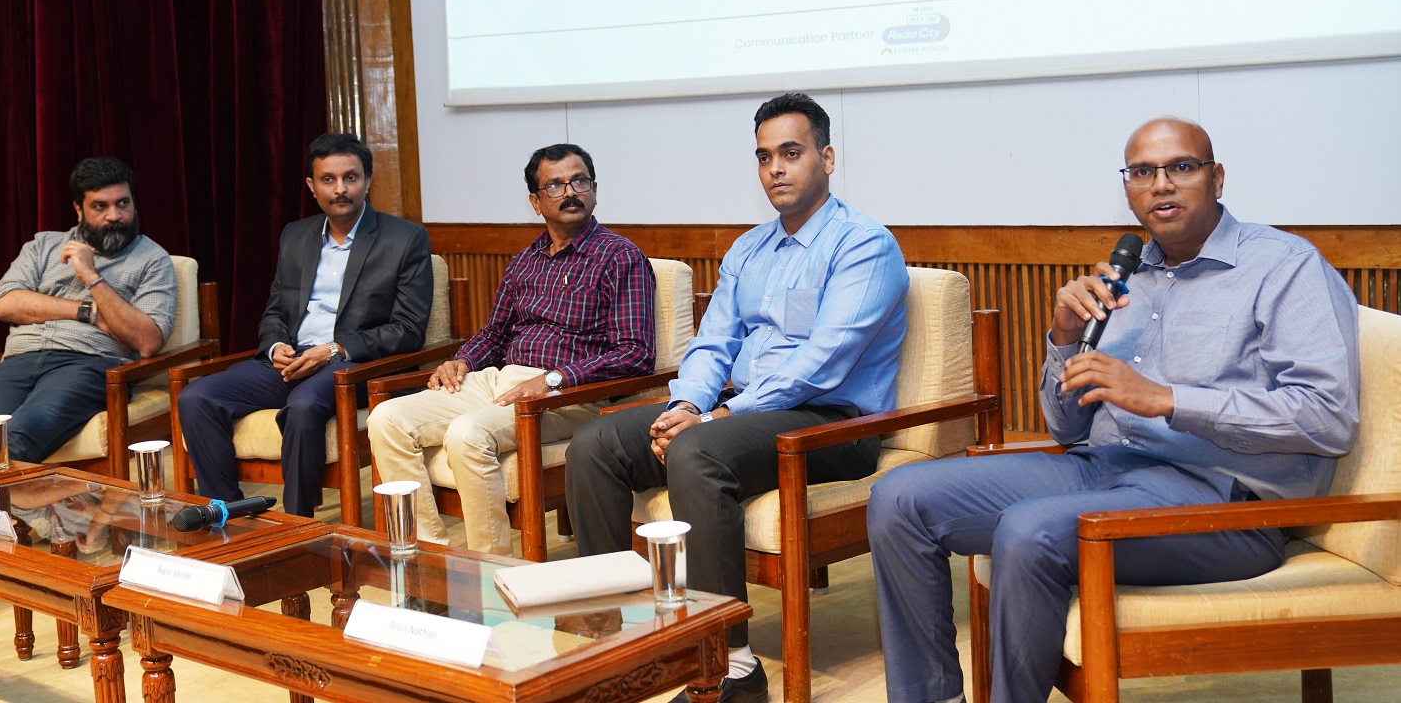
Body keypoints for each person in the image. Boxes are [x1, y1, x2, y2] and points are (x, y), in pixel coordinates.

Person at [868, 117, 1359, 703]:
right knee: (899, 497)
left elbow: (1328, 417)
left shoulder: (1286, 267)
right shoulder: (1125, 273)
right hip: (1103, 466)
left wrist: (1167, 400)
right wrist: (1062, 337)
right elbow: (1065, 426)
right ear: (1127, 188)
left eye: (1182, 167)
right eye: (1143, 172)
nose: (1161, 185)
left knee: (1030, 531)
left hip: (1224, 502)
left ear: (1217, 177)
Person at [566, 93, 908, 703]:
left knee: (698, 452)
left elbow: (820, 362)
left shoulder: (864, 246)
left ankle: (730, 664)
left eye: (791, 152)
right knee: (595, 443)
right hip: (742, 411)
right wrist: (688, 405)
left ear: (827, 158)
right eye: (764, 156)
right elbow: (712, 342)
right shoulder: (748, 249)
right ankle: (616, 635)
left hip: (833, 423)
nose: (776, 168)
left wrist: (721, 416)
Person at [0, 157, 177, 639]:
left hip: (87, 367)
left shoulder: (151, 259)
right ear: (78, 209)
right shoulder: (44, 245)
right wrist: (88, 308)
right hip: (19, 362)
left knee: (20, 435)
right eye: (101, 207)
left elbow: (147, 339)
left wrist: (91, 275)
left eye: (122, 204)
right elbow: (5, 303)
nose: (114, 216)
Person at [367, 143, 656, 556]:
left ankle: (491, 571)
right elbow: (495, 333)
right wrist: (462, 360)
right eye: (555, 186)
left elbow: (635, 352)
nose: (570, 192)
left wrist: (554, 379)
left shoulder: (620, 257)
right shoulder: (525, 260)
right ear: (536, 202)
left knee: (468, 433)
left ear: (595, 189)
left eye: (579, 181)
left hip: (569, 393)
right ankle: (429, 559)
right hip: (501, 380)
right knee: (387, 418)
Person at [177, 133, 432, 517]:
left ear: (368, 180)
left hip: (353, 364)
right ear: (312, 187)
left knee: (303, 405)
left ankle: (298, 526)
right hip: (290, 360)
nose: (340, 189)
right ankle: (229, 512)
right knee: (196, 397)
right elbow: (276, 310)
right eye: (328, 179)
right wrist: (275, 345)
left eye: (351, 177)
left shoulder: (405, 239)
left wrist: (333, 349)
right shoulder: (296, 235)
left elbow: (409, 328)